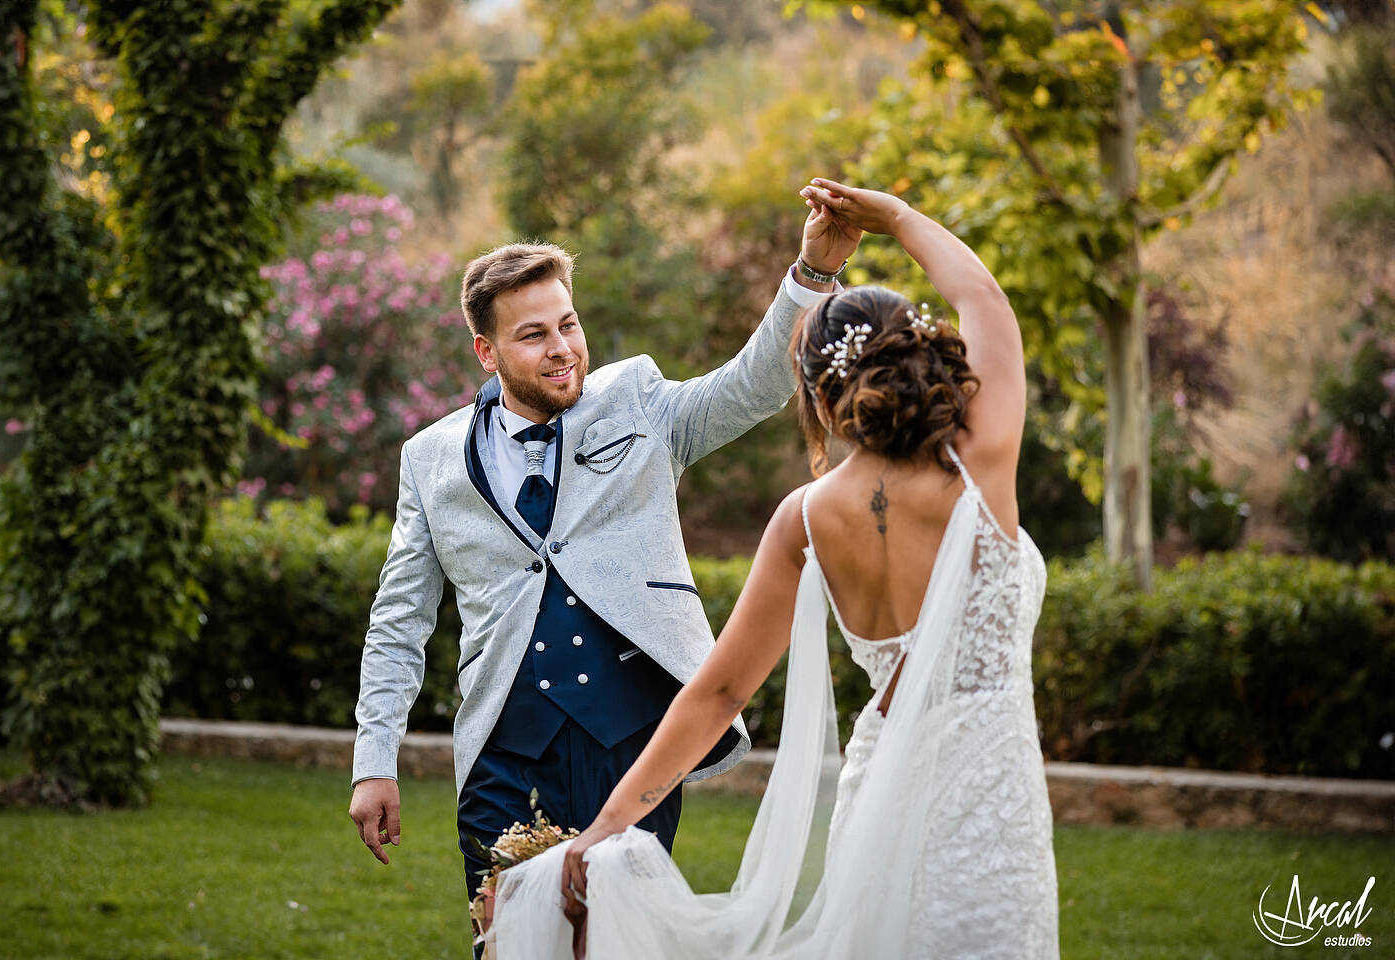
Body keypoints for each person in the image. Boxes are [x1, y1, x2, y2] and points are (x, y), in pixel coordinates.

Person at [485, 179, 1059, 960]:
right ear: (919, 360)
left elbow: (718, 692)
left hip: (880, 796)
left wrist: (605, 828)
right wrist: (893, 216)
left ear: (819, 395)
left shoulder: (807, 516)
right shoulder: (981, 464)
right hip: (994, 794)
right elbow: (983, 298)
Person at [347, 196, 863, 929]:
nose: (562, 347)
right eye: (533, 335)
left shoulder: (637, 401)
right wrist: (375, 760)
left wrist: (813, 272)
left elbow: (753, 384)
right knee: (505, 940)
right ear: (487, 353)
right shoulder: (430, 458)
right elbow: (399, 620)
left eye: (568, 324)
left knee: (618, 940)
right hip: (503, 750)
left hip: (634, 744)